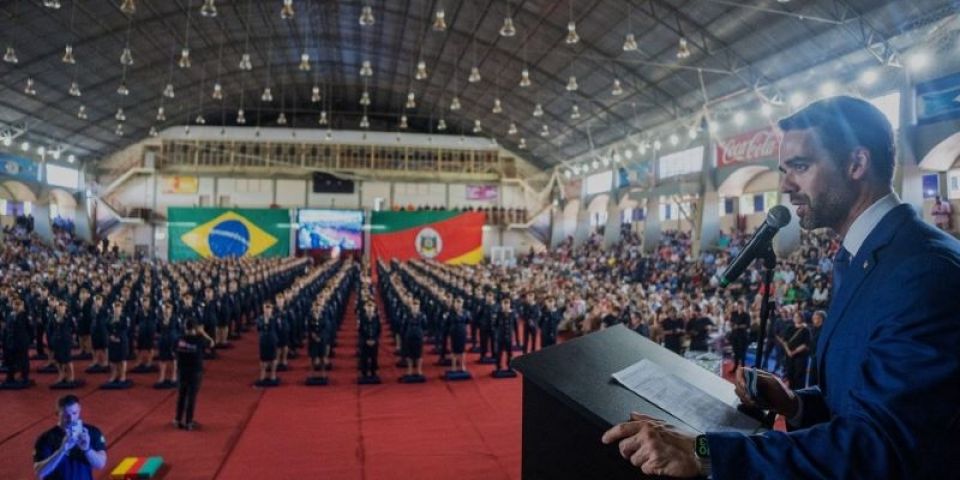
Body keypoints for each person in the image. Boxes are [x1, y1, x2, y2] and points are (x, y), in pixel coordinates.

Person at [602, 96, 960, 478]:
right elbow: (858, 401)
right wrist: (795, 405)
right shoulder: (860, 256)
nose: (786, 185)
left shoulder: (923, 271)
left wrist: (704, 451)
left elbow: (882, 445)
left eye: (800, 167)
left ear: (856, 164)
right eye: (784, 170)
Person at [33, 395, 107, 479]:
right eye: (66, 415)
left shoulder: (91, 432)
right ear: (57, 413)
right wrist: (62, 450)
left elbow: (101, 464)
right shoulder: (46, 438)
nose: (71, 419)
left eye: (74, 413)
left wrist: (87, 449)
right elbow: (40, 472)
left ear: (79, 409)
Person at [174, 320, 213, 430]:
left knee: (181, 395)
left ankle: (178, 419)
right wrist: (203, 333)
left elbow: (174, 351)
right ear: (195, 328)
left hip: (182, 370)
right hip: (195, 371)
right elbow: (211, 343)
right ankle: (189, 421)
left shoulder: (179, 339)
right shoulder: (199, 340)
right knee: (191, 397)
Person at [728, 301, 750, 373]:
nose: (740, 306)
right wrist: (731, 325)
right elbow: (731, 322)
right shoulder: (734, 313)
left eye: (742, 305)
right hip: (734, 336)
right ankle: (735, 367)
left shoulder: (746, 315)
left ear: (743, 306)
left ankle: (743, 369)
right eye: (739, 305)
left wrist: (738, 326)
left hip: (742, 336)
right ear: (737, 306)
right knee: (735, 352)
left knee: (742, 354)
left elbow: (747, 325)